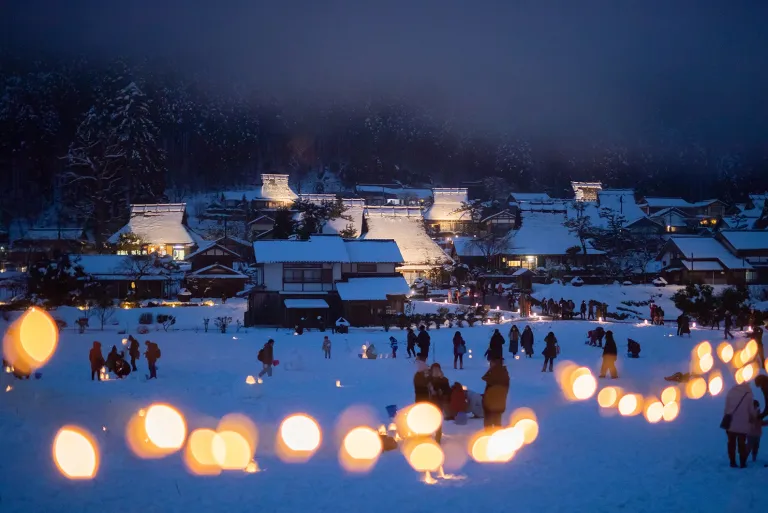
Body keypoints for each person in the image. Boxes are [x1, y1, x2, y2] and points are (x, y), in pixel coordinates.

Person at [723, 381, 755, 468]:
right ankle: (742, 462)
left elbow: (726, 408)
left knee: (731, 443)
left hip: (731, 423)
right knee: (742, 443)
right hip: (743, 423)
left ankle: (732, 462)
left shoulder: (731, 391)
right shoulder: (748, 394)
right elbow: (751, 410)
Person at [482, 358, 510, 428]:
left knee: (489, 423)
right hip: (499, 402)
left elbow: (485, 378)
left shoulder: (495, 372)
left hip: (491, 402)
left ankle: (490, 433)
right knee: (497, 422)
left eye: (491, 362)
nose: (490, 364)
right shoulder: (504, 372)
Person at [428, 363, 451, 443]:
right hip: (429, 403)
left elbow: (448, 391)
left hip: (439, 403)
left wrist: (442, 392)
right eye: (434, 369)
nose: (436, 371)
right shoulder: (428, 379)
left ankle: (438, 437)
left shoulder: (444, 380)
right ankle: (428, 436)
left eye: (437, 369)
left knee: (438, 420)